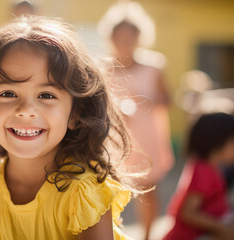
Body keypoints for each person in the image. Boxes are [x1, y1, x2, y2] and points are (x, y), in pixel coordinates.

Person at [0, 16, 143, 240]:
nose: (26, 110)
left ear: (74, 114)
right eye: (8, 94)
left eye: (46, 95)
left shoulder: (84, 192)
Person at [98, 2, 174, 239]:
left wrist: (149, 101)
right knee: (106, 189)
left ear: (139, 37)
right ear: (110, 37)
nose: (124, 41)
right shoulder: (103, 67)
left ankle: (148, 236)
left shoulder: (155, 65)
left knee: (148, 191)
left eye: (130, 36)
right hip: (113, 138)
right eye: (119, 36)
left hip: (147, 138)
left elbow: (168, 100)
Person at [164, 113, 234, 240]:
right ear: (219, 142)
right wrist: (221, 228)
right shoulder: (203, 171)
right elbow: (188, 213)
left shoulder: (211, 167)